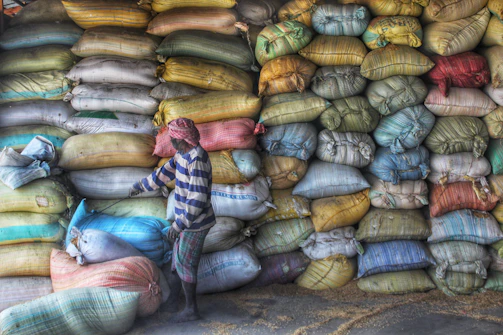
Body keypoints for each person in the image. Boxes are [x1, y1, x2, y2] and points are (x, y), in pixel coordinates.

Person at [129, 117, 215, 323]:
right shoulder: (181, 155)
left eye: (173, 139)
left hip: (196, 223)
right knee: (177, 261)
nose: (171, 142)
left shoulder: (198, 160)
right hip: (187, 221)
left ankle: (191, 309)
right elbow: (164, 173)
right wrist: (140, 186)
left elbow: (197, 199)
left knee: (185, 263)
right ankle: (173, 301)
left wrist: (179, 225)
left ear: (182, 139)